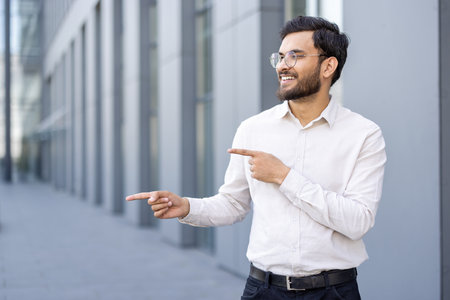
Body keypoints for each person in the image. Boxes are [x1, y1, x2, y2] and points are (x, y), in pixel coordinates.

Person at [126, 15, 387, 300]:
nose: (283, 65)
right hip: (263, 290)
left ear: (328, 65)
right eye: (280, 56)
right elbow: (233, 204)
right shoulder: (253, 129)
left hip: (334, 292)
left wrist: (283, 176)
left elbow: (358, 221)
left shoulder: (363, 134)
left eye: (296, 56)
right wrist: (187, 207)